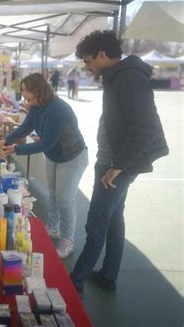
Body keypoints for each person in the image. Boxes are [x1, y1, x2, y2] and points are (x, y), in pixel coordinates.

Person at [69, 30, 168, 297]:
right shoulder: (119, 77)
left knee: (97, 221)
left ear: (102, 55)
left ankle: (74, 282)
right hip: (115, 161)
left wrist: (117, 166)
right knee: (113, 219)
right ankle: (109, 274)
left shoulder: (129, 79)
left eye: (89, 61)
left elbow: (144, 129)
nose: (88, 67)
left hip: (118, 164)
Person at [0, 73, 88, 259]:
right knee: (53, 193)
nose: (24, 95)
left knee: (65, 199)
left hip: (72, 157)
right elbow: (25, 128)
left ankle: (67, 240)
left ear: (38, 90)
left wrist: (15, 149)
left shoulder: (57, 109)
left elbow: (45, 144)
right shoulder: (36, 107)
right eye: (23, 91)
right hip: (54, 156)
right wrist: (4, 140)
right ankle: (53, 228)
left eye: (27, 91)